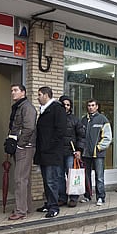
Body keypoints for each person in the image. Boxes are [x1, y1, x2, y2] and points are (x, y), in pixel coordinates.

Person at [33, 87, 67, 218]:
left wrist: (49, 146)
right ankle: (49, 203)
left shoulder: (57, 109)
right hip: (43, 153)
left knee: (51, 180)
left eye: (39, 95)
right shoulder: (44, 110)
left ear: (46, 95)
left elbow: (60, 131)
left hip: (52, 153)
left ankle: (54, 207)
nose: (38, 97)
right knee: (46, 180)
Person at [7, 84, 37, 220]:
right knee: (24, 179)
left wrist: (20, 144)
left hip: (25, 147)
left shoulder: (27, 107)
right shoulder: (19, 107)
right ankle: (26, 207)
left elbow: (29, 127)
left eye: (15, 90)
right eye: (12, 90)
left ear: (23, 92)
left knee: (20, 179)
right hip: (20, 146)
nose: (13, 93)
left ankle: (20, 211)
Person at [80, 99, 112, 206]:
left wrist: (99, 147)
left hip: (98, 153)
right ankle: (87, 195)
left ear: (97, 106)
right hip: (86, 154)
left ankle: (101, 197)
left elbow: (108, 137)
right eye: (89, 105)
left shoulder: (103, 119)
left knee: (99, 176)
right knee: (86, 176)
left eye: (93, 105)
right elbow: (80, 136)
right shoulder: (83, 120)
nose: (91, 107)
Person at [58, 95, 85, 207]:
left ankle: (73, 198)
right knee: (59, 176)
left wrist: (79, 150)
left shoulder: (75, 119)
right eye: (64, 104)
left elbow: (81, 136)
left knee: (72, 175)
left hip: (70, 152)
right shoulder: (55, 118)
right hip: (58, 152)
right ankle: (62, 197)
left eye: (68, 105)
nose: (66, 107)